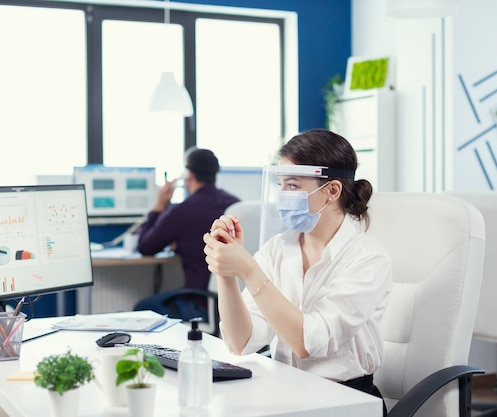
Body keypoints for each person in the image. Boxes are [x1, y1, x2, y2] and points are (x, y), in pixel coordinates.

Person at [203, 129, 393, 415]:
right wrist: (227, 272)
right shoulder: (278, 248)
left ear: (332, 191)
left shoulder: (367, 258)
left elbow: (308, 342)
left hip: (347, 400)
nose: (282, 196)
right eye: (280, 185)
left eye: (292, 185)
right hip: (287, 391)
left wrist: (249, 270)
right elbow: (242, 342)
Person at [135, 148, 240, 321]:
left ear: (189, 175)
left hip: (200, 304)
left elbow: (145, 246)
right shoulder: (235, 205)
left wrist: (160, 204)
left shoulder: (181, 211)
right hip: (234, 304)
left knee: (142, 308)